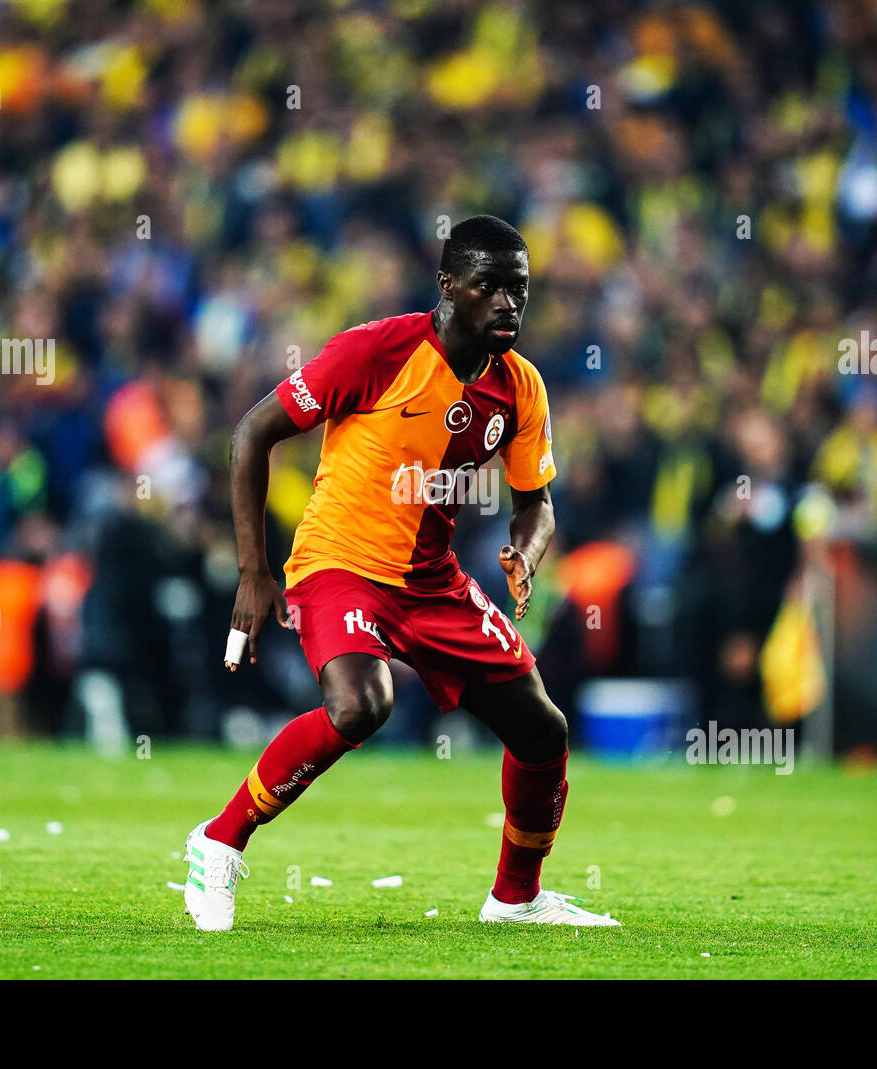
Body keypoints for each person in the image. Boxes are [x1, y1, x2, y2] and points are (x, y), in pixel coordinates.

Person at [182, 216, 618, 929]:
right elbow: (252, 432)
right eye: (491, 286)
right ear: (449, 287)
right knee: (361, 704)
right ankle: (219, 840)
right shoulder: (376, 351)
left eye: (521, 289)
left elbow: (536, 506)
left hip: (432, 582)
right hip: (340, 563)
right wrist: (252, 571)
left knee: (542, 729)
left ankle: (516, 899)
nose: (509, 303)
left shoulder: (520, 388)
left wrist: (526, 553)